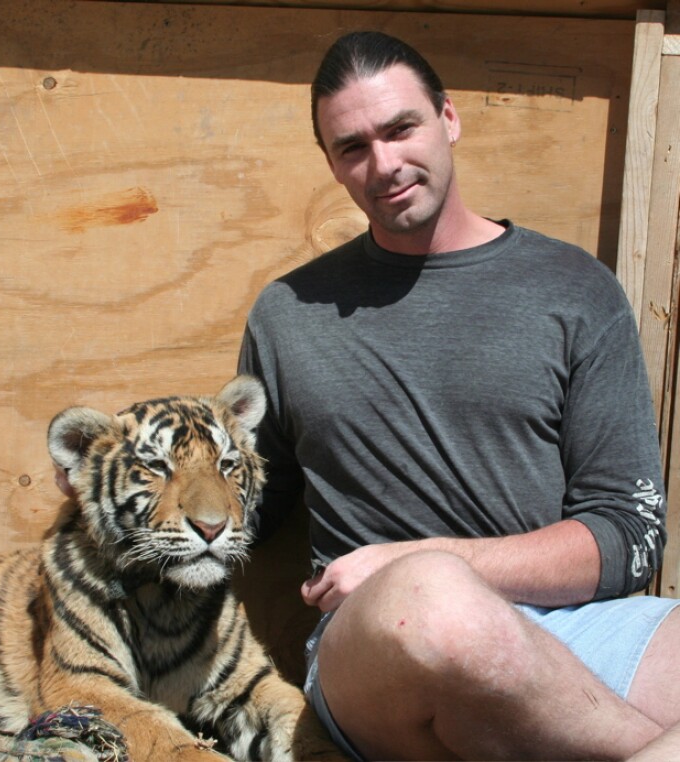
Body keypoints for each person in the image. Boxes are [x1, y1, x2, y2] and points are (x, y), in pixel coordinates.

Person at [237, 31, 680, 761]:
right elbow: (245, 507)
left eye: (400, 128)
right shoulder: (288, 314)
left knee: (440, 583)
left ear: (448, 119)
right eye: (352, 148)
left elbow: (628, 537)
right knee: (435, 602)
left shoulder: (574, 290)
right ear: (331, 166)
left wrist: (422, 555)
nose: (383, 165)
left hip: (566, 627)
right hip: (378, 641)